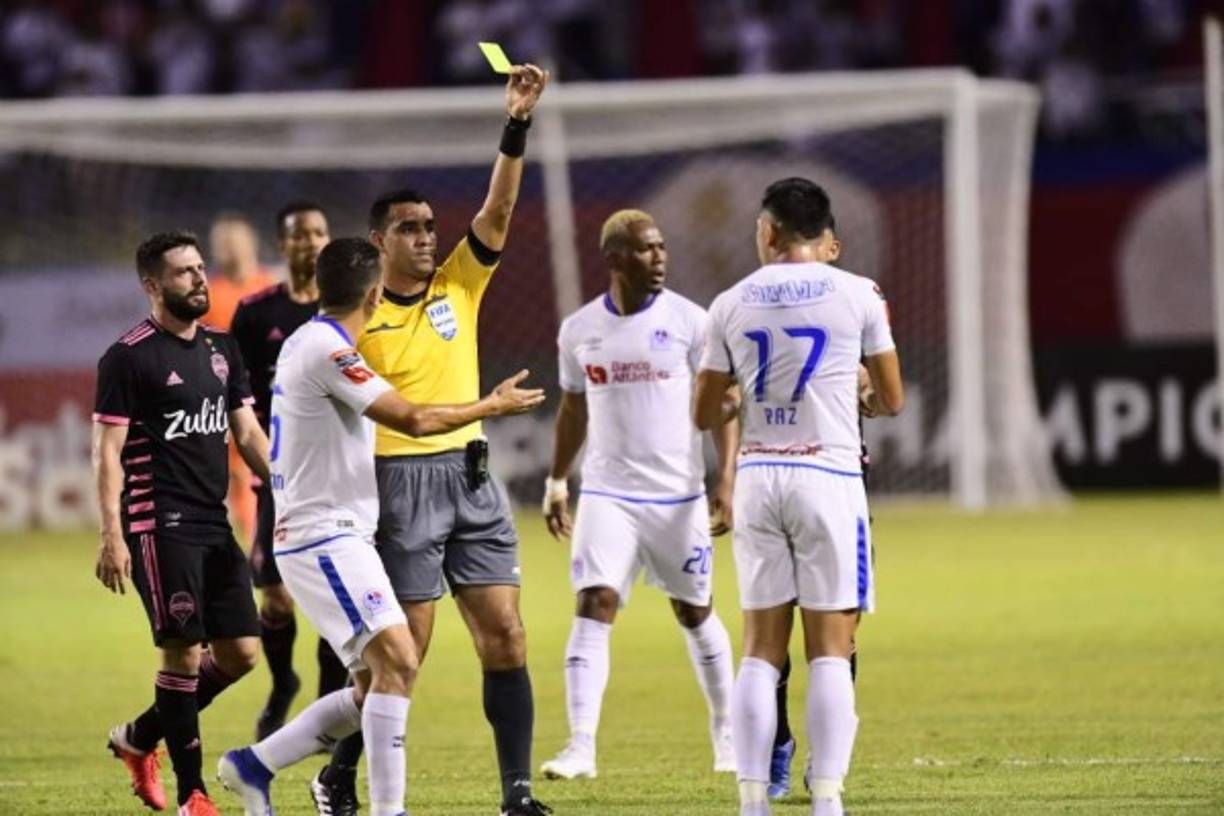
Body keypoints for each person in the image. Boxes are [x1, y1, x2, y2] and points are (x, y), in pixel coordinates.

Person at [216, 237, 546, 816]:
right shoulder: (328, 351)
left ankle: (253, 765)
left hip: (335, 534)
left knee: (375, 681)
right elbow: (416, 419)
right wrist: (488, 407)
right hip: (323, 537)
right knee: (399, 659)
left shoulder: (309, 341)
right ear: (374, 294)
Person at [312, 62, 553, 816]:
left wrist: (516, 121)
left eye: (428, 226)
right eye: (410, 229)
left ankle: (516, 795)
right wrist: (487, 402)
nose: (426, 237)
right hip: (398, 485)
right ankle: (335, 773)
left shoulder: (458, 283)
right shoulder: (354, 321)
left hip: (474, 477)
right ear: (378, 241)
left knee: (507, 635)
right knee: (401, 658)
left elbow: (501, 207)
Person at [693, 178, 904, 816]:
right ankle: (829, 799)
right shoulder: (860, 294)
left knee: (761, 647)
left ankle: (753, 801)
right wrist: (862, 392)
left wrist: (738, 396)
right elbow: (891, 400)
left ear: (770, 232)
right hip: (831, 478)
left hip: (759, 477)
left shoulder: (730, 303)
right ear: (825, 234)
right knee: (832, 648)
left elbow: (706, 411)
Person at [538, 209, 737, 780]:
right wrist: (557, 481)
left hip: (678, 497)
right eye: (647, 250)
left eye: (662, 248)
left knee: (694, 611)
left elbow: (723, 402)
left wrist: (726, 479)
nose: (660, 259)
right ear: (615, 258)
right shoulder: (579, 330)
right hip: (607, 494)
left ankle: (726, 735)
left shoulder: (692, 322)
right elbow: (572, 409)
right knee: (593, 602)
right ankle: (580, 746)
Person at [95, 231, 271, 816]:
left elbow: (246, 433)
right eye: (183, 273)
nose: (199, 279)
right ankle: (195, 794)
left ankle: (140, 737)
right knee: (180, 652)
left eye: (200, 269)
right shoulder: (128, 357)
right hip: (157, 522)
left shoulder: (222, 348)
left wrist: (286, 486)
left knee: (243, 653)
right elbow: (106, 452)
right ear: (153, 285)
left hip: (213, 522)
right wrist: (111, 534)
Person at [229, 201, 353, 746]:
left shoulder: (346, 314)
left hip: (337, 481)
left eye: (320, 232)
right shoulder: (255, 316)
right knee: (274, 600)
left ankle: (327, 708)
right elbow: (238, 401)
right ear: (282, 246)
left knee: (331, 597)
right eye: (300, 235)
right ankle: (283, 684)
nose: (311, 242)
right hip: (278, 480)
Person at [205, 213, 277, 551]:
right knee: (241, 473)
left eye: (235, 242)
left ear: (251, 243)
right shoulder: (209, 295)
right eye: (224, 244)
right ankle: (258, 548)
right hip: (232, 398)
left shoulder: (272, 287)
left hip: (276, 393)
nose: (230, 250)